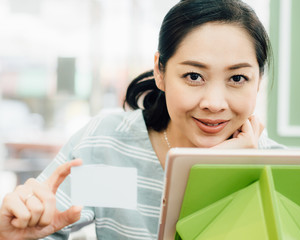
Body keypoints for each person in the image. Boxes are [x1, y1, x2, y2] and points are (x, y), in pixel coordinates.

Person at [0, 0, 284, 239]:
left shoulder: (281, 172)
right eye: (193, 76)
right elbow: (45, 225)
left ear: (258, 82)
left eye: (237, 78)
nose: (214, 103)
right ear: (160, 71)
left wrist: (238, 177)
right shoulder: (111, 149)